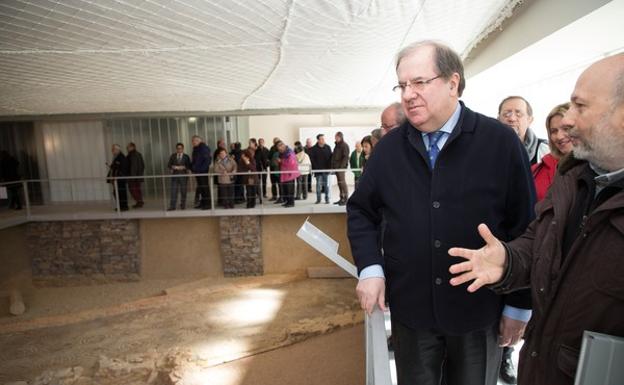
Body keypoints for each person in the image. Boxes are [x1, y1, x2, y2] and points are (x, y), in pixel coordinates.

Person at [348, 40, 535, 385]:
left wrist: (519, 305)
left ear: (453, 83)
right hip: (411, 314)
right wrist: (370, 268)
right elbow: (361, 211)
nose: (408, 94)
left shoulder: (500, 143)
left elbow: (526, 227)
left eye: (419, 82)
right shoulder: (388, 150)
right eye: (402, 85)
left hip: (479, 313)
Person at [448, 53, 624, 385]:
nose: (567, 121)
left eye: (580, 107)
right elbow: (541, 242)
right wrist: (509, 260)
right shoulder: (573, 178)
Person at [532, 103, 573, 201]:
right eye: (554, 131)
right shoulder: (536, 171)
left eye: (566, 129)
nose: (559, 136)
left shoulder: (599, 167)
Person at [499, 96, 550, 165]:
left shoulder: (545, 151)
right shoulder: (487, 149)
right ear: (498, 119)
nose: (512, 119)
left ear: (529, 120)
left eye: (518, 114)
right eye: (506, 114)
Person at [167, 143, 192, 210]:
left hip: (183, 176)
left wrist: (184, 167)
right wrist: (173, 167)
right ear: (176, 149)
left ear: (183, 149)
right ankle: (172, 206)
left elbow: (189, 165)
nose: (179, 149)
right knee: (173, 191)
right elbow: (169, 165)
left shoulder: (186, 156)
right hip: (175, 176)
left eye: (180, 148)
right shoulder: (173, 156)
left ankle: (183, 204)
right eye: (178, 148)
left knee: (183, 191)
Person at [308, 134, 332, 204]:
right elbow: (312, 160)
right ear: (318, 140)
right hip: (318, 171)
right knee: (318, 186)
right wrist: (316, 168)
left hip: (326, 170)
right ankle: (318, 199)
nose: (323, 140)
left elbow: (330, 158)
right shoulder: (313, 149)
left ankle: (327, 199)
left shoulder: (328, 147)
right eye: (322, 139)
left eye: (324, 139)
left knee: (326, 186)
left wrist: (329, 168)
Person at [191, 135, 212, 210]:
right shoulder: (196, 148)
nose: (192, 143)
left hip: (202, 172)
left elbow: (207, 161)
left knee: (204, 187)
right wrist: (193, 168)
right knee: (201, 187)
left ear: (198, 140)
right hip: (198, 172)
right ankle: (203, 203)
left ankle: (207, 204)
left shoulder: (204, 148)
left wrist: (201, 169)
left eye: (193, 141)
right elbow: (195, 160)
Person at [277, 141, 300, 208]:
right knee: (286, 189)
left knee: (290, 190)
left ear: (283, 146)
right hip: (285, 174)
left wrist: (281, 161)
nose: (280, 151)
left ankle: (291, 203)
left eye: (280, 149)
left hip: (290, 174)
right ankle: (287, 201)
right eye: (279, 150)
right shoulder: (284, 153)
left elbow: (291, 163)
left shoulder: (290, 152)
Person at [107, 144, 129, 211]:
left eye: (113, 149)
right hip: (117, 178)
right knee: (117, 193)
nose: (112, 151)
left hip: (120, 178)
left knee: (121, 193)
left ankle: (123, 207)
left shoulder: (121, 157)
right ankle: (120, 206)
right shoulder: (116, 157)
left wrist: (116, 170)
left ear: (117, 150)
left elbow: (123, 168)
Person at [331, 131, 350, 205]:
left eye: (336, 137)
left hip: (340, 168)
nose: (335, 138)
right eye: (335, 137)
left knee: (342, 183)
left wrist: (341, 168)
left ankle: (345, 199)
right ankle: (341, 198)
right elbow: (334, 156)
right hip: (336, 168)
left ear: (340, 137)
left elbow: (345, 157)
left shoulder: (344, 145)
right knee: (339, 184)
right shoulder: (337, 145)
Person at [126, 142, 145, 208]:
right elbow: (142, 165)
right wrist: (140, 174)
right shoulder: (139, 154)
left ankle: (139, 202)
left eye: (128, 147)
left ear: (132, 147)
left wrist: (132, 177)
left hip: (133, 177)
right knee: (137, 189)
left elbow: (133, 167)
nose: (127, 148)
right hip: (138, 176)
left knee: (133, 189)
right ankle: (140, 201)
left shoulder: (132, 155)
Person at [269, 137, 282, 202]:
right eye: (275, 142)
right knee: (273, 183)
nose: (276, 143)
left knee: (280, 184)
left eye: (277, 142)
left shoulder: (281, 150)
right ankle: (274, 196)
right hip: (272, 168)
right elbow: (269, 157)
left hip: (279, 169)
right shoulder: (272, 148)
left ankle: (281, 197)